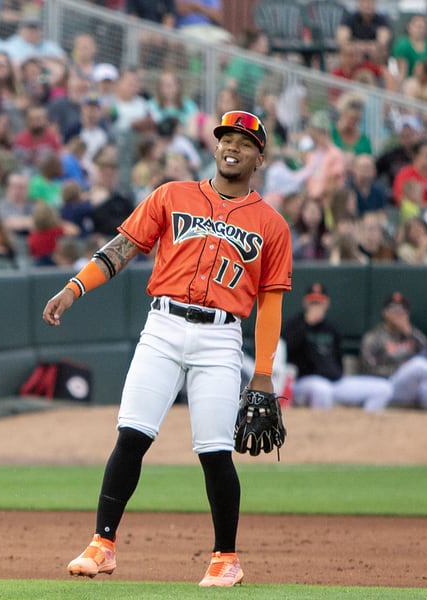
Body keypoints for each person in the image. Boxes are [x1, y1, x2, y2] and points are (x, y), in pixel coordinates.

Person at [43, 110, 292, 586]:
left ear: (259, 157)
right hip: (162, 326)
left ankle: (226, 558)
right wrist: (75, 287)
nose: (233, 147)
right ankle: (102, 545)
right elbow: (123, 247)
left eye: (244, 142)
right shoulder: (172, 195)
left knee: (215, 451)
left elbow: (271, 302)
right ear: (216, 146)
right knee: (131, 435)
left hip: (220, 337)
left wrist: (263, 373)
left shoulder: (271, 224)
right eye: (226, 138)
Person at [284, 283, 393, 411]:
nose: (316, 305)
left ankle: (364, 426)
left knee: (384, 388)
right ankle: (320, 429)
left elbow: (338, 360)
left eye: (320, 302)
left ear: (327, 303)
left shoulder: (331, 328)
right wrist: (307, 323)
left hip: (335, 382)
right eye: (313, 302)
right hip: (305, 382)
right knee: (322, 390)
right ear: (305, 302)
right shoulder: (294, 324)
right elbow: (286, 350)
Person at [360, 292, 427, 416]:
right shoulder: (373, 337)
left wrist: (410, 332)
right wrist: (400, 368)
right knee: (417, 364)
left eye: (402, 310)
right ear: (385, 313)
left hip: (418, 387)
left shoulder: (413, 334)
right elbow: (368, 369)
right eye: (393, 309)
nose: (399, 314)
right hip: (389, 387)